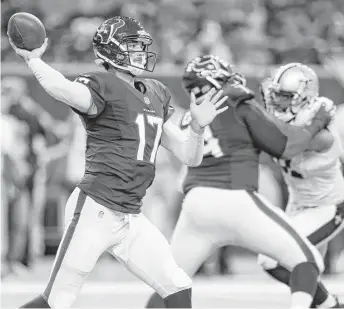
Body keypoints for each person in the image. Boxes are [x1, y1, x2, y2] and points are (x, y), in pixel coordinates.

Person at [9, 16, 229, 309]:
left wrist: (198, 129)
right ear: (111, 51)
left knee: (178, 286)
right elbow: (62, 88)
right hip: (95, 208)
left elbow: (191, 156)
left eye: (141, 46)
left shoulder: (156, 93)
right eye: (132, 46)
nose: (140, 52)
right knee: (58, 300)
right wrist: (34, 60)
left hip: (131, 215)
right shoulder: (102, 84)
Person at [145, 54, 335, 309]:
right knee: (307, 259)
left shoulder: (191, 116)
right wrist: (317, 122)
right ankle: (326, 305)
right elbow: (286, 145)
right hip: (234, 197)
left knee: (170, 285)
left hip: (195, 204)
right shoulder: (237, 102)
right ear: (217, 80)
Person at [258, 63, 344, 308]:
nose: (277, 102)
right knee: (307, 267)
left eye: (285, 97)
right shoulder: (291, 119)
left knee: (272, 259)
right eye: (276, 95)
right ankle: (329, 305)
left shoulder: (322, 133)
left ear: (304, 98)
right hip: (298, 204)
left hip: (327, 206)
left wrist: (316, 123)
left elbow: (288, 144)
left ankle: (327, 304)